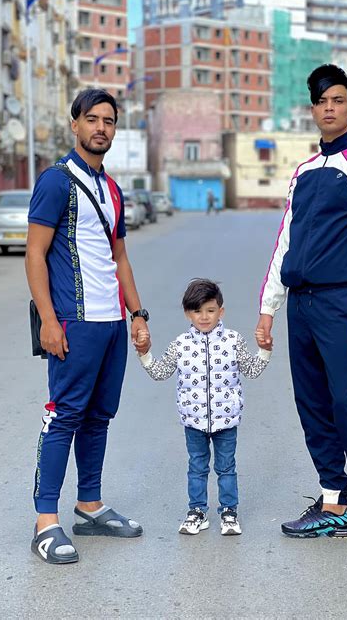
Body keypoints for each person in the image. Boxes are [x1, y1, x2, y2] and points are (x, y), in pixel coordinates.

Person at [256, 64, 347, 560]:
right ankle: (334, 505)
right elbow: (286, 242)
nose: (330, 108)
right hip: (301, 305)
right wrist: (268, 308)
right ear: (313, 110)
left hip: (344, 303)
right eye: (322, 102)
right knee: (313, 404)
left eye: (338, 100)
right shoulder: (303, 172)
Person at [26, 89, 151, 564]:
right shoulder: (56, 182)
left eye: (109, 121)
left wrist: (137, 314)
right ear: (75, 124)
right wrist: (49, 320)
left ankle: (90, 505)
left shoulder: (112, 189)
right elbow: (34, 253)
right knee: (64, 417)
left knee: (99, 416)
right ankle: (45, 521)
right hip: (73, 323)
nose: (101, 127)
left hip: (111, 324)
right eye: (92, 119)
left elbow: (120, 257)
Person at [135, 279, 272, 536]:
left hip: (226, 420)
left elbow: (252, 370)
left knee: (226, 468)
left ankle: (229, 512)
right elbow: (160, 372)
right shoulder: (181, 344)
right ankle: (197, 511)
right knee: (197, 468)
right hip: (193, 421)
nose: (204, 317)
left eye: (210, 310)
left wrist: (264, 350)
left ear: (221, 311)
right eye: (197, 311)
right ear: (188, 313)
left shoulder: (233, 341)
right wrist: (145, 353)